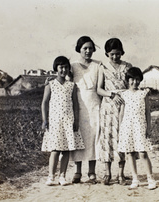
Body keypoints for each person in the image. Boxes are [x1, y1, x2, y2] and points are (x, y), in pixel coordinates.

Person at [41, 56, 85, 186]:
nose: (64, 70)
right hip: (55, 122)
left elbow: (76, 105)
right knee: (55, 150)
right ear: (56, 68)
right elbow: (44, 103)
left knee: (66, 150)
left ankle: (62, 176)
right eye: (61, 67)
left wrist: (76, 121)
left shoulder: (72, 86)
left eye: (66, 67)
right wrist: (44, 120)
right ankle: (51, 176)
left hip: (68, 121)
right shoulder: (50, 84)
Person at [97, 38, 132, 185]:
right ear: (107, 54)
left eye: (117, 54)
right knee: (108, 139)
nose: (115, 57)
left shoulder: (128, 66)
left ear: (121, 52)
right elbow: (99, 89)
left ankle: (121, 175)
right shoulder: (102, 67)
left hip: (124, 106)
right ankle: (107, 174)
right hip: (108, 106)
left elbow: (132, 86)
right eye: (112, 54)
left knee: (121, 139)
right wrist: (112, 94)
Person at [69, 36, 102, 184]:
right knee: (79, 137)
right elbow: (65, 82)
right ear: (79, 50)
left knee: (93, 138)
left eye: (90, 48)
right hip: (79, 106)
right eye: (85, 48)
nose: (88, 51)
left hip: (95, 105)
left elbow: (102, 86)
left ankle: (92, 172)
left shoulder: (98, 65)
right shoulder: (73, 66)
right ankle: (77, 172)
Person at [118, 67, 157, 190]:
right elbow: (121, 113)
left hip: (139, 126)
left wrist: (148, 127)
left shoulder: (143, 94)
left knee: (142, 153)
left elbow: (147, 112)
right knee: (129, 152)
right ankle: (135, 179)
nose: (134, 82)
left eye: (137, 80)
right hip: (127, 126)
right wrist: (120, 129)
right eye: (132, 79)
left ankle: (150, 178)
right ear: (127, 80)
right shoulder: (123, 95)